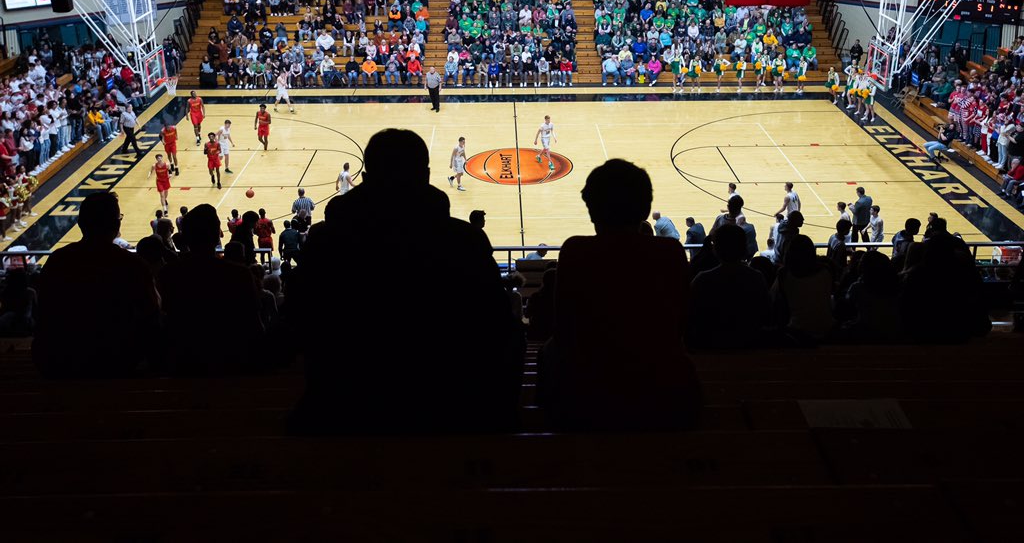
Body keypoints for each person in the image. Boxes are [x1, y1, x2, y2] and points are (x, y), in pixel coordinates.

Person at [287, 128, 523, 434]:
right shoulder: (464, 242)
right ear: (425, 176)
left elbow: (294, 329)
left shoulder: (323, 243)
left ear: (368, 175)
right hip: (449, 413)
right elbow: (500, 332)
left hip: (342, 414)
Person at [539, 159, 700, 431]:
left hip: (588, 400)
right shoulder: (671, 253)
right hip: (663, 397)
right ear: (646, 209)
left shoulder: (574, 251)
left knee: (547, 354)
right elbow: (681, 327)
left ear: (591, 211)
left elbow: (563, 330)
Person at [33, 192, 159, 377]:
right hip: (117, 362)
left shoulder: (57, 261)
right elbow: (151, 314)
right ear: (117, 225)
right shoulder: (133, 264)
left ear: (81, 224)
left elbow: (42, 315)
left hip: (63, 363)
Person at [157, 204, 266, 374]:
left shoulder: (167, 274)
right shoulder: (239, 274)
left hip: (183, 362)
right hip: (230, 362)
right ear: (217, 236)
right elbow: (254, 326)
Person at [688, 223, 772, 349]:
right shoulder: (756, 277)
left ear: (715, 249)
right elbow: (766, 313)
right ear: (744, 249)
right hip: (749, 344)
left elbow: (690, 315)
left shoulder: (703, 279)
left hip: (711, 345)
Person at [771, 234, 834, 341]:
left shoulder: (784, 274)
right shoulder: (825, 271)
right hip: (827, 330)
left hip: (797, 331)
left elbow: (773, 300)